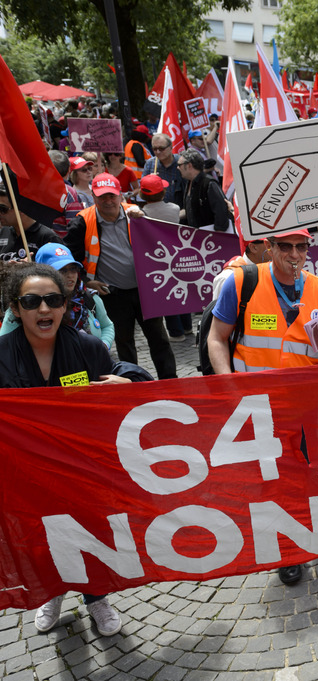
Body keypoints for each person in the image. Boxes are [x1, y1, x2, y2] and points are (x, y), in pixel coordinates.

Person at [207, 228, 318, 584]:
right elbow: (217, 338)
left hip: (305, 407)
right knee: (271, 480)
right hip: (257, 408)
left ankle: (312, 530)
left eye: (302, 247)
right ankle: (288, 550)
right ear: (269, 247)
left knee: (306, 472)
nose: (295, 254)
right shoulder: (240, 283)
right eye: (286, 246)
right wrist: (228, 385)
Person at [0, 262, 132, 636]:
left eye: (52, 300)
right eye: (31, 301)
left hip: (81, 468)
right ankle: (52, 591)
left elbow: (114, 408)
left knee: (89, 534)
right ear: (15, 308)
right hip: (26, 473)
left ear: (64, 304)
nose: (43, 309)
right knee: (40, 539)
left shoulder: (89, 348)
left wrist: (128, 389)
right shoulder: (1, 355)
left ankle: (97, 597)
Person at [65, 173, 178, 379]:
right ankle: (131, 382)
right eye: (102, 196)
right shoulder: (82, 222)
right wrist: (87, 281)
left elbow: (158, 244)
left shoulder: (134, 214)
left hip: (145, 291)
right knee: (124, 343)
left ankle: (170, 381)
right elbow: (70, 259)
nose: (108, 201)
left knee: (159, 339)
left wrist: (144, 221)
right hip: (114, 294)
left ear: (120, 195)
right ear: (93, 196)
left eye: (112, 196)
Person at [0, 243, 114, 348]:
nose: (70, 275)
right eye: (62, 270)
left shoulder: (89, 297)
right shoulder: (25, 304)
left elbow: (107, 326)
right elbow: (5, 344)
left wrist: (103, 346)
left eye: (73, 269)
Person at [0, 182, 65, 257]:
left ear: (21, 209)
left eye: (3, 209)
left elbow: (61, 267)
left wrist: (30, 267)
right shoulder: (3, 232)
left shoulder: (48, 238)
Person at [178, 148, 230, 232]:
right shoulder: (189, 183)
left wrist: (218, 237)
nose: (177, 167)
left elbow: (221, 212)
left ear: (189, 165)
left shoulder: (209, 183)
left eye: (179, 165)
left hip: (212, 240)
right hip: (197, 238)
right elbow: (191, 209)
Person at [142, 133, 184, 206]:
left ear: (171, 147)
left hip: (179, 210)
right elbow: (143, 191)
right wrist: (148, 182)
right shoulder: (150, 164)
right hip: (157, 209)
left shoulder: (181, 163)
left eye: (161, 148)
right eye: (155, 149)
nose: (158, 152)